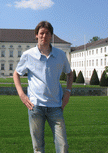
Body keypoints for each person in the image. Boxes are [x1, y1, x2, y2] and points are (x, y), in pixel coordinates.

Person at [13, 21, 73, 153]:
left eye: (47, 33)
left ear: (51, 35)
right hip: (35, 106)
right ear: (36, 35)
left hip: (56, 106)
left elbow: (70, 73)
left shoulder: (60, 54)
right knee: (38, 148)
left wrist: (68, 92)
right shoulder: (28, 55)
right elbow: (16, 74)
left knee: (63, 146)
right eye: (41, 33)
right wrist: (22, 95)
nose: (44, 36)